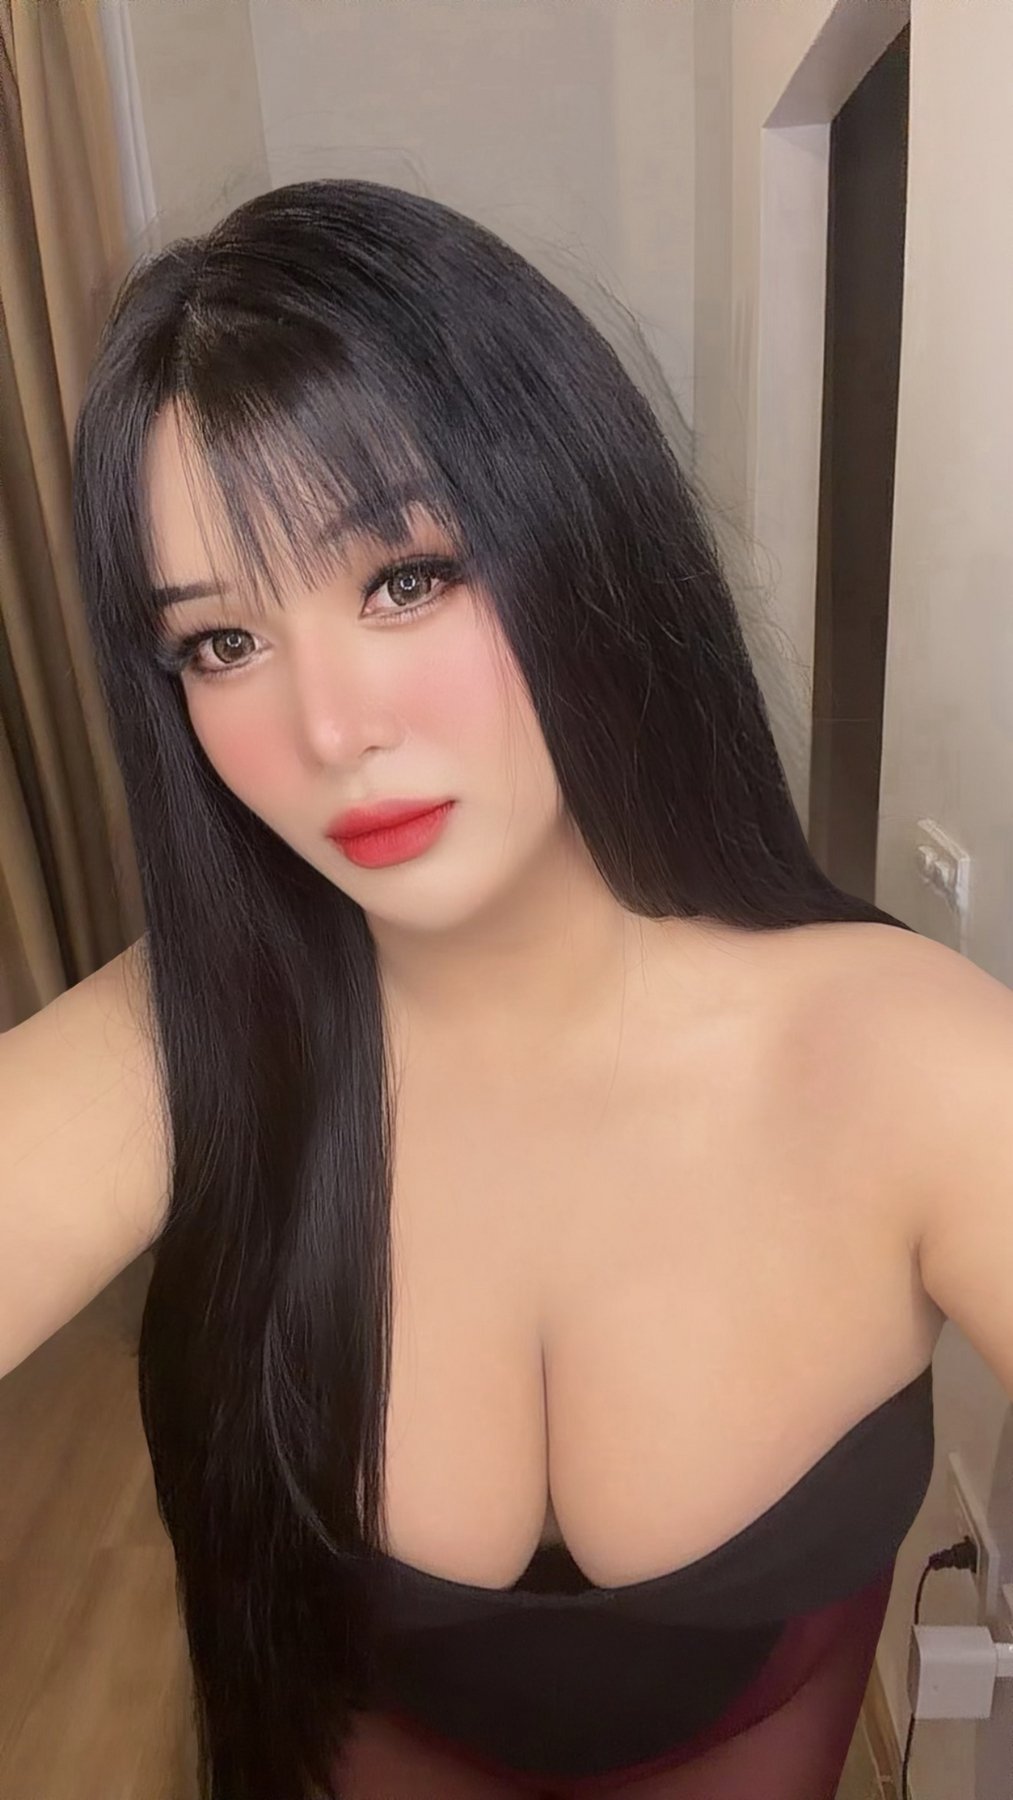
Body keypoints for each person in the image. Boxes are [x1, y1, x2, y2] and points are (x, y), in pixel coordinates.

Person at [2, 177, 1011, 1800]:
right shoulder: (188, 1032)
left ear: (582, 534)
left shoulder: (906, 1062)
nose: (329, 729)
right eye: (220, 645)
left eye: (403, 577)